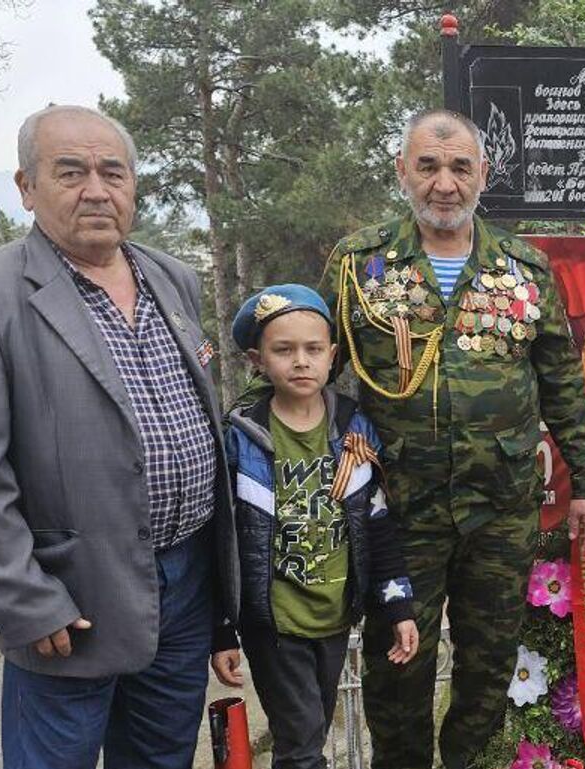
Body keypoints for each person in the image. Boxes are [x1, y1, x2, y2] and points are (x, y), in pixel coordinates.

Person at [0, 104, 237, 769]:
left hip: (183, 586)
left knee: (159, 758)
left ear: (132, 186)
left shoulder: (171, 277)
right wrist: (25, 600)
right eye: (70, 172)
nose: (96, 189)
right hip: (70, 598)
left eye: (111, 171)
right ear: (26, 187)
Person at [318, 109, 585, 769]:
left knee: (488, 667)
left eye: (459, 167)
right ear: (403, 171)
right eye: (428, 166)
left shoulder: (524, 266)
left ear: (484, 173)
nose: (444, 184)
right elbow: (310, 367)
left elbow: (563, 383)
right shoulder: (359, 263)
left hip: (499, 511)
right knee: (397, 666)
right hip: (400, 511)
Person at [208, 284, 422, 769]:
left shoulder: (354, 430)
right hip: (275, 625)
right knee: (303, 747)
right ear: (256, 359)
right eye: (283, 350)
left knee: (310, 735)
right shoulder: (241, 439)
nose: (300, 361)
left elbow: (379, 525)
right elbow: (220, 543)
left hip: (334, 618)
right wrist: (221, 631)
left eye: (312, 349)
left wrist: (399, 606)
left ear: (332, 356)